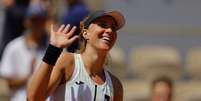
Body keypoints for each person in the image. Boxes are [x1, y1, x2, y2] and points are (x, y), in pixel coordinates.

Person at [27, 10, 125, 101]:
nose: (109, 31)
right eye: (103, 25)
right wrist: (53, 50)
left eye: (113, 28)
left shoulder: (115, 85)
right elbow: (33, 98)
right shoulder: (67, 62)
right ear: (85, 33)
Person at [0, 2, 48, 101]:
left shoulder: (53, 47)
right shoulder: (13, 47)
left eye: (41, 20)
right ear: (26, 22)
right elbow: (10, 84)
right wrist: (31, 77)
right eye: (34, 20)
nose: (37, 24)